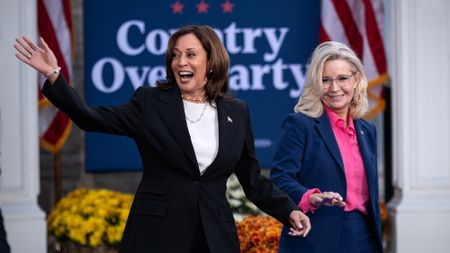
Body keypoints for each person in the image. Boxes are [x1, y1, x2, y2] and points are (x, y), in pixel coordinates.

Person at [14, 25, 311, 253]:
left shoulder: (237, 111)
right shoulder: (150, 103)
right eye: (175, 55)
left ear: (211, 62)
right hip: (157, 233)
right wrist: (53, 76)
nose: (181, 61)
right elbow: (90, 118)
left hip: (214, 237)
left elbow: (253, 180)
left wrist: (290, 210)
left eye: (191, 54)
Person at [270, 41, 383, 253]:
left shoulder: (367, 130)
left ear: (356, 79)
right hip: (316, 236)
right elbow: (279, 178)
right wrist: (310, 197)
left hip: (364, 237)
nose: (334, 88)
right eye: (325, 80)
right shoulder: (300, 124)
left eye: (342, 78)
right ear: (315, 83)